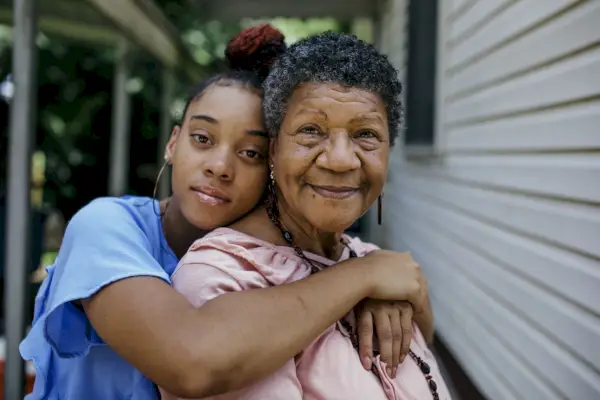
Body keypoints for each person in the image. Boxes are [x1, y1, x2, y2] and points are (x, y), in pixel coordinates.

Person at [20, 25, 433, 400]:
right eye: (202, 138)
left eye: (249, 152)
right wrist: (364, 276)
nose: (220, 165)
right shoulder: (107, 227)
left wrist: (379, 293)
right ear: (172, 143)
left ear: (273, 164)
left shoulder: (281, 258)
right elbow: (190, 360)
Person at [161, 31, 448, 400]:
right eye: (311, 131)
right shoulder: (222, 277)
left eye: (366, 134)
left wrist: (391, 286)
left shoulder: (370, 262)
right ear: (273, 150)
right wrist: (365, 277)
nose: (341, 159)